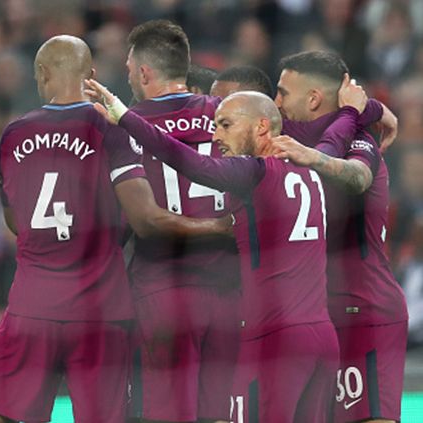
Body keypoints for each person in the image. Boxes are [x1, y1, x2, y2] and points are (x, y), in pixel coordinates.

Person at [0, 35, 231, 423]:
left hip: (32, 305)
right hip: (100, 308)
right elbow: (144, 219)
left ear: (42, 73)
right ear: (91, 74)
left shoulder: (14, 134)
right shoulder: (111, 126)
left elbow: (15, 221)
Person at [86, 79, 362, 422]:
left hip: (274, 341)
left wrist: (124, 116)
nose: (216, 136)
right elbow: (335, 138)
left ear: (262, 126)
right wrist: (353, 110)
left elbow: (191, 163)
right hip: (322, 337)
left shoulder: (255, 173)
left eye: (226, 125)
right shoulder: (315, 163)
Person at [273, 50, 407, 423]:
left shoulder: (359, 141)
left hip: (365, 310)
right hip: (320, 316)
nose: (276, 102)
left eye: (283, 92)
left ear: (313, 99)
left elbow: (357, 175)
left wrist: (364, 113)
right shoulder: (300, 134)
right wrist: (372, 108)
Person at [122, 20, 240, 423]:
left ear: (144, 72)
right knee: (220, 414)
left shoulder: (125, 126)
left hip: (163, 291)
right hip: (228, 288)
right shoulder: (226, 114)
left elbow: (127, 221)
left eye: (129, 68)